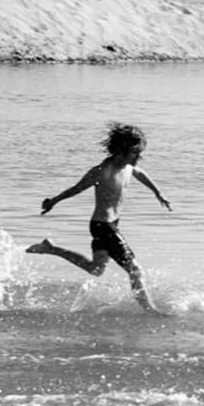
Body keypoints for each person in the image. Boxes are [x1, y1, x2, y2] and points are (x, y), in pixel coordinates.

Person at [26, 123, 171, 312]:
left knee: (96, 269)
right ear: (121, 151)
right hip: (103, 226)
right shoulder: (101, 171)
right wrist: (54, 201)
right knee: (135, 270)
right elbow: (77, 188)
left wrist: (157, 193)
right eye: (135, 153)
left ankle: (51, 249)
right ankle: (150, 310)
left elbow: (140, 173)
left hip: (111, 224)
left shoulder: (128, 166)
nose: (138, 157)